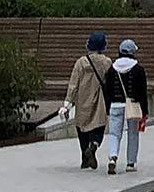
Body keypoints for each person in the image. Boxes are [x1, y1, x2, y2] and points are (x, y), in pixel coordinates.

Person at [60, 31, 111, 170]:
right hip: (99, 99)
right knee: (98, 125)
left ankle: (84, 156)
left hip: (82, 98)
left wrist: (67, 103)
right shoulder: (106, 62)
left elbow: (73, 84)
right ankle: (93, 145)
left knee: (81, 126)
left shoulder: (81, 62)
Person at [103, 39, 148, 174]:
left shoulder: (112, 69)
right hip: (133, 106)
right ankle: (130, 163)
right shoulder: (138, 69)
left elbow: (107, 90)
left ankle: (112, 158)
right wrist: (144, 110)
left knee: (114, 133)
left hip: (115, 104)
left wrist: (108, 106)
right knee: (133, 134)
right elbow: (142, 92)